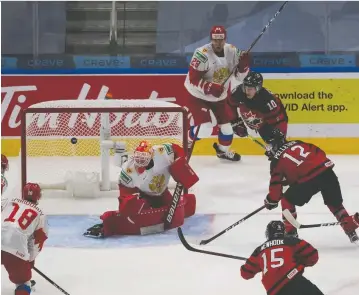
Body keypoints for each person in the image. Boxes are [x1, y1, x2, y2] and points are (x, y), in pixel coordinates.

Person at [84, 140, 198, 238]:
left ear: (151, 154)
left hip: (162, 192)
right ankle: (110, 222)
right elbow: (124, 189)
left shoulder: (161, 152)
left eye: (144, 160)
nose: (140, 164)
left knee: (182, 206)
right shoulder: (129, 169)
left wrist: (180, 161)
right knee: (130, 210)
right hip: (144, 195)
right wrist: (129, 201)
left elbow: (176, 149)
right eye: (138, 160)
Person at [263, 129, 359, 244]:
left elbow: (275, 189)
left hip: (309, 180)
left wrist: (270, 201)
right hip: (327, 172)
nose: (268, 148)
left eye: (269, 145)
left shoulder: (276, 160)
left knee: (286, 199)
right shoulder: (299, 142)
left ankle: (290, 233)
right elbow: (319, 152)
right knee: (335, 203)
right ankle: (350, 227)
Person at [184, 25, 250, 161]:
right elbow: (193, 79)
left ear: (225, 39)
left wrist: (244, 66)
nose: (218, 43)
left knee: (227, 130)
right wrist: (209, 87)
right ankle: (187, 141)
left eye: (221, 40)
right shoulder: (201, 54)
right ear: (211, 39)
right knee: (205, 129)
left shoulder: (233, 51)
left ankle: (222, 152)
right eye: (215, 40)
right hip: (198, 95)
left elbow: (239, 77)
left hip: (219, 97)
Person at [1, 183, 48, 295]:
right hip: (16, 249)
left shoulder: (10, 201)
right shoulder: (40, 214)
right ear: (38, 197)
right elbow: (37, 242)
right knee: (24, 282)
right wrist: (29, 260)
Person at [227, 71, 288, 143]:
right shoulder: (238, 92)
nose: (247, 91)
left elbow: (280, 120)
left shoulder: (267, 100)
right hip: (260, 120)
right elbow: (229, 105)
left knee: (277, 144)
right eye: (245, 87)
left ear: (258, 88)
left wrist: (277, 136)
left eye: (250, 89)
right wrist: (235, 121)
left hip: (274, 121)